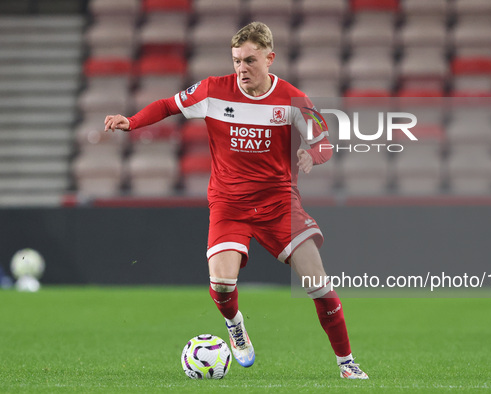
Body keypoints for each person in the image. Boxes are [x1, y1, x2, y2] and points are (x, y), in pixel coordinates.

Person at [104, 22, 368, 379]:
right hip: (229, 203)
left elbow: (323, 140)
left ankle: (346, 364)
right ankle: (235, 326)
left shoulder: (293, 99)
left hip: (278, 203)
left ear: (270, 58)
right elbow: (169, 105)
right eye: (236, 61)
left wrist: (312, 156)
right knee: (222, 283)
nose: (242, 68)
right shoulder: (213, 90)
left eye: (250, 60)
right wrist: (131, 122)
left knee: (318, 283)